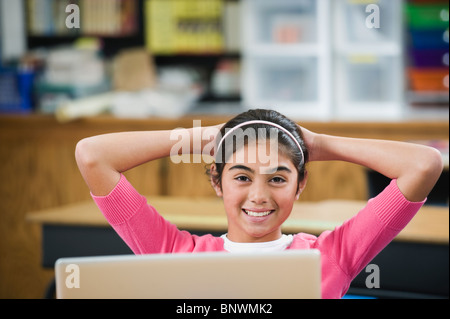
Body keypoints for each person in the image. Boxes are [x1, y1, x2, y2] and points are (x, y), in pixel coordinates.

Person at [75, 109, 443, 298]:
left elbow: (423, 165)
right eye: (241, 176)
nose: (259, 196)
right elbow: (92, 156)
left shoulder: (331, 255)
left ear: (301, 185)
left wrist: (315, 144)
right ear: (218, 182)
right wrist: (210, 137)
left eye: (279, 178)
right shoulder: (173, 253)